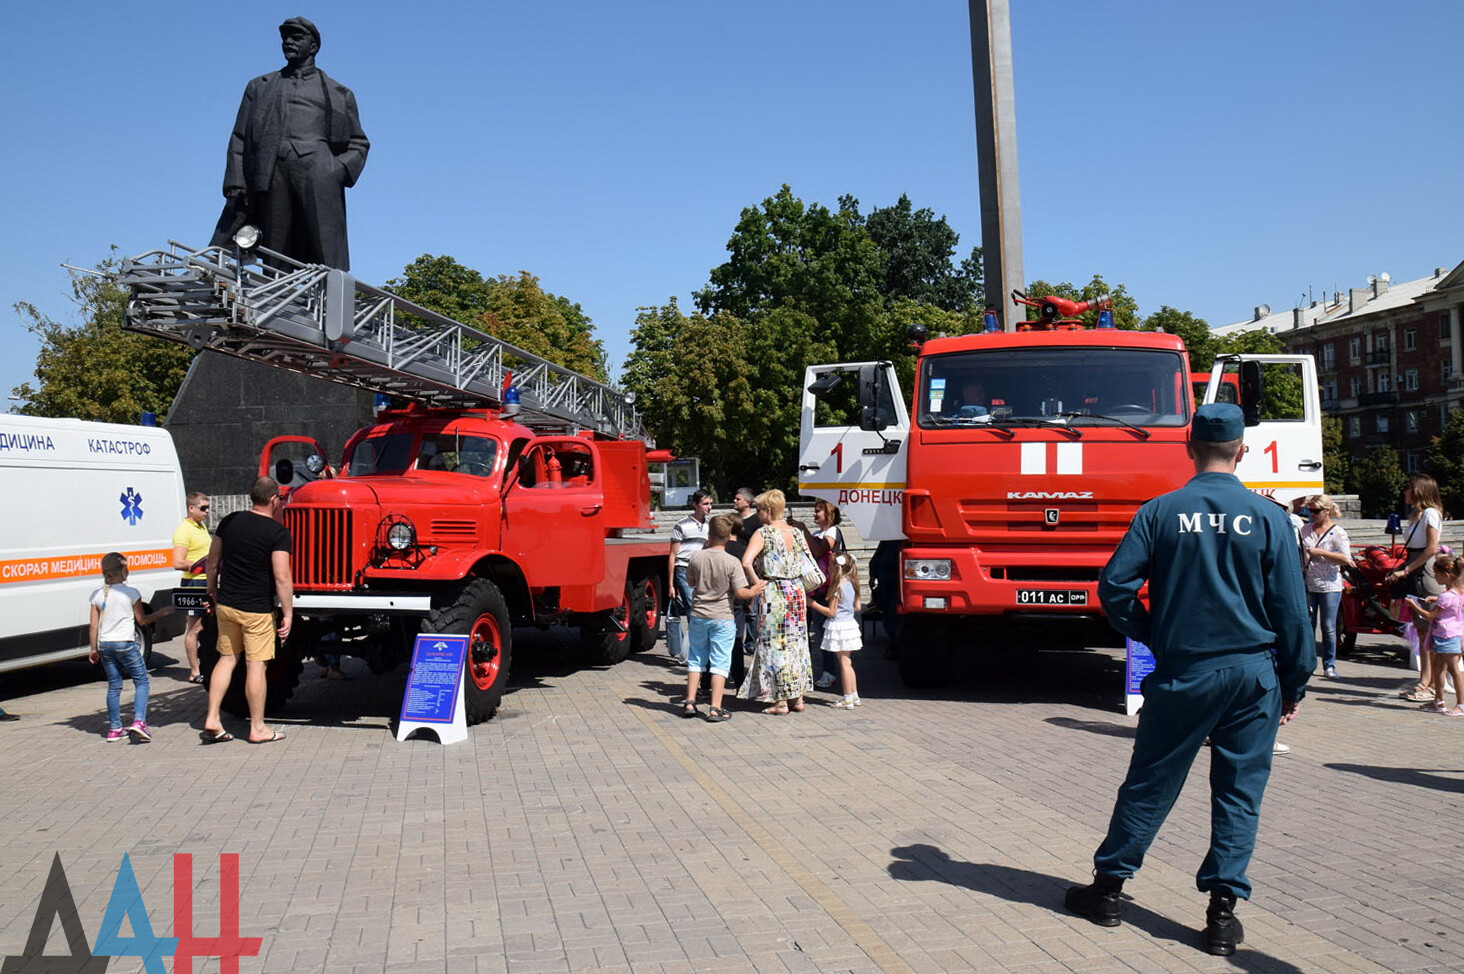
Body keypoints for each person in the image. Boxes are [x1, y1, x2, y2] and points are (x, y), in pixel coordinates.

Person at [1065, 403, 1311, 958]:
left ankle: (1108, 891)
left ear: (1189, 449)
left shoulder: (1159, 512)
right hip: (1255, 674)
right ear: (1241, 450)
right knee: (1239, 793)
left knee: (1150, 782)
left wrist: (1154, 634)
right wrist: (1294, 682)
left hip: (1184, 670)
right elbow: (1293, 613)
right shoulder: (1270, 517)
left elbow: (1114, 590)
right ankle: (1222, 914)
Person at [210, 17, 370, 270]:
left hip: (318, 169)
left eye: (297, 38)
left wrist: (336, 169)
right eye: (285, 38)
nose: (288, 43)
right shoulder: (259, 87)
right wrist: (235, 180)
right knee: (275, 246)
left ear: (313, 46)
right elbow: (240, 136)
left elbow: (359, 143)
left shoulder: (340, 93)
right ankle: (273, 302)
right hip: (273, 170)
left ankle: (331, 303)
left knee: (326, 247)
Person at [201, 478, 294, 745]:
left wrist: (212, 590)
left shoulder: (229, 521)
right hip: (256, 610)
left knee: (226, 659)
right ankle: (258, 728)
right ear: (274, 499)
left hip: (227, 605)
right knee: (256, 666)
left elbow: (213, 561)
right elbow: (282, 577)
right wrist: (288, 612)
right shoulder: (278, 532)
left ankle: (213, 717)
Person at [678, 516, 765, 722]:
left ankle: (690, 701)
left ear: (709, 535)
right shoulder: (731, 561)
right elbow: (740, 592)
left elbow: (690, 581)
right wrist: (755, 589)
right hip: (722, 616)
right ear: (728, 537)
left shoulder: (696, 557)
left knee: (696, 658)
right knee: (720, 661)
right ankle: (715, 707)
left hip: (699, 614)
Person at [738, 489, 816, 715]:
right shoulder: (797, 532)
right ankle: (797, 698)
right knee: (796, 644)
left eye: (760, 509)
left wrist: (756, 585)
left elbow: (746, 562)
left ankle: (780, 701)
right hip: (796, 591)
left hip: (774, 591)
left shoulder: (764, 533)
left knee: (774, 645)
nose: (757, 513)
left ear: (768, 510)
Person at [89, 553, 174, 742]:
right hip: (126, 643)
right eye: (126, 568)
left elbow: (94, 626)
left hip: (105, 645)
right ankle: (139, 722)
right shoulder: (132, 593)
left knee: (114, 686)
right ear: (122, 571)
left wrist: (93, 649)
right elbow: (142, 620)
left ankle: (114, 728)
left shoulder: (97, 595)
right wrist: (161, 613)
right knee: (141, 681)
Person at [1392, 474, 1444, 702]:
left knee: (1427, 627)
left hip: (1424, 569)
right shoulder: (1418, 515)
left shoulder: (1430, 514)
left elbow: (1432, 548)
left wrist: (1407, 569)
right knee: (1421, 628)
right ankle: (1426, 680)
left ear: (1419, 490)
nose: (1405, 491)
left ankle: (1430, 682)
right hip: (1416, 567)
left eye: (1409, 488)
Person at [1404, 555, 1464, 715]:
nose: (1435, 578)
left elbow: (1430, 617)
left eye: (1436, 575)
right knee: (1438, 668)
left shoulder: (1446, 596)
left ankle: (1461, 704)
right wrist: (1437, 599)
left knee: (1453, 670)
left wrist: (1414, 605)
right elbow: (1451, 602)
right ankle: (1439, 700)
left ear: (1446, 576)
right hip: (1450, 635)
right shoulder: (1457, 592)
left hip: (1447, 636)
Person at [1299, 495, 1351, 679]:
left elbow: (1347, 559)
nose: (1312, 514)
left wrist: (1321, 552)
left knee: (1328, 626)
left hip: (1330, 584)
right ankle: (1309, 662)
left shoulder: (1337, 532)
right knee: (1308, 625)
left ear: (1327, 511)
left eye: (1315, 511)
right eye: (1309, 511)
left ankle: (1329, 665)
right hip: (1308, 583)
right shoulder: (1305, 530)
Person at [809, 552, 862, 709]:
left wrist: (812, 604)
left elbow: (831, 612)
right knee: (848, 662)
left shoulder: (837, 588)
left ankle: (847, 699)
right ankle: (854, 695)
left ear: (834, 568)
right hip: (850, 624)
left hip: (839, 626)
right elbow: (857, 607)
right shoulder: (853, 584)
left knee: (843, 663)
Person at [665, 490, 713, 664]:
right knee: (693, 610)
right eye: (705, 504)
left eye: (710, 504)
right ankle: (695, 653)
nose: (709, 507)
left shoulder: (709, 526)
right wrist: (670, 584)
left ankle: (697, 650)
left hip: (702, 571)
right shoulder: (681, 525)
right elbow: (672, 555)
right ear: (695, 504)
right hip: (684, 569)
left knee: (701, 609)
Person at [171, 492, 212, 683]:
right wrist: (201, 566)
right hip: (193, 583)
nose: (207, 511)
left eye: (208, 507)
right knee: (194, 628)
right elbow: (178, 562)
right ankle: (194, 671)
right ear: (191, 508)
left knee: (206, 626)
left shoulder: (200, 526)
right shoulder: (183, 530)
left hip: (205, 582)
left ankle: (204, 666)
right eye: (203, 508)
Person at [721, 487, 760, 688]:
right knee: (735, 633)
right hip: (740, 586)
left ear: (748, 501)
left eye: (738, 499)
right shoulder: (727, 549)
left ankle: (748, 649)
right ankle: (735, 675)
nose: (734, 501)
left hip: (743, 581)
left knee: (743, 624)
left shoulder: (755, 523)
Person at [809, 498, 846, 690]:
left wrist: (803, 532)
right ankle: (828, 670)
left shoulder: (832, 532)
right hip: (818, 588)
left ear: (829, 513)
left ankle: (831, 672)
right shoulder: (818, 533)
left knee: (828, 633)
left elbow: (819, 550)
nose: (814, 514)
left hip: (829, 589)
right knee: (823, 634)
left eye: (818, 511)